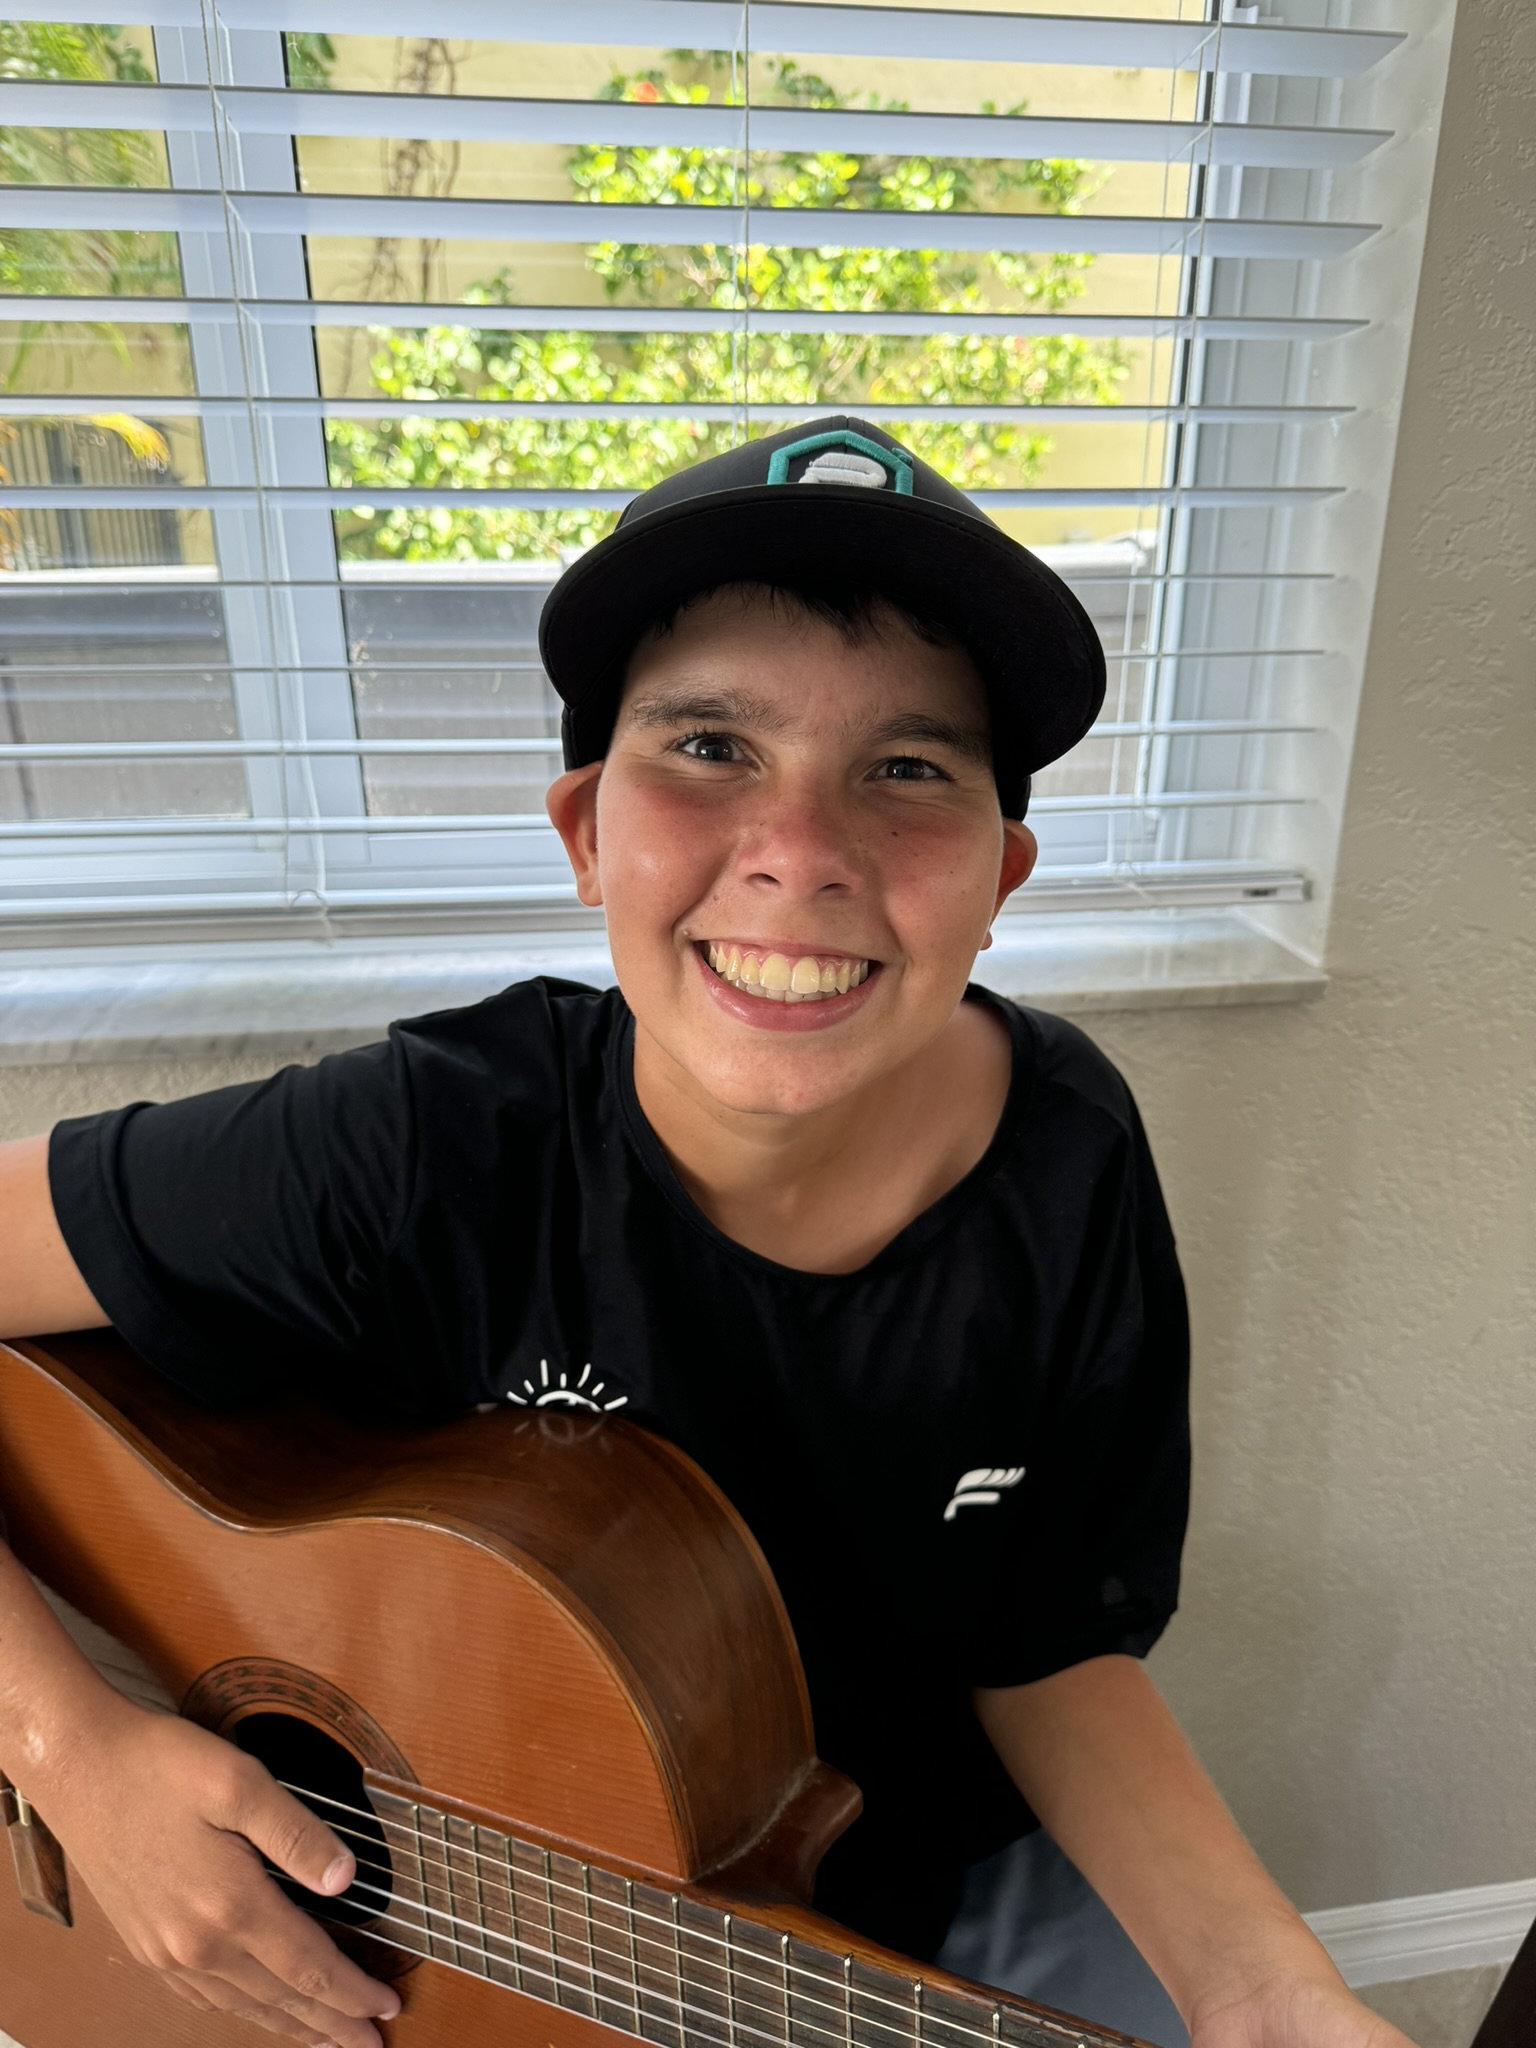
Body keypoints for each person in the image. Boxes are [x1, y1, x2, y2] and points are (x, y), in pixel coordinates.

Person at [0, 419, 1412, 2048]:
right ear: (589, 828)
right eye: (711, 748)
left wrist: (1266, 1992)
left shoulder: (1066, 1166)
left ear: (1001, 875)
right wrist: (70, 1754)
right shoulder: (429, 1144)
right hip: (429, 1944)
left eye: (907, 769)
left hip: (886, 1905)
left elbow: (1049, 1648)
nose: (801, 856)